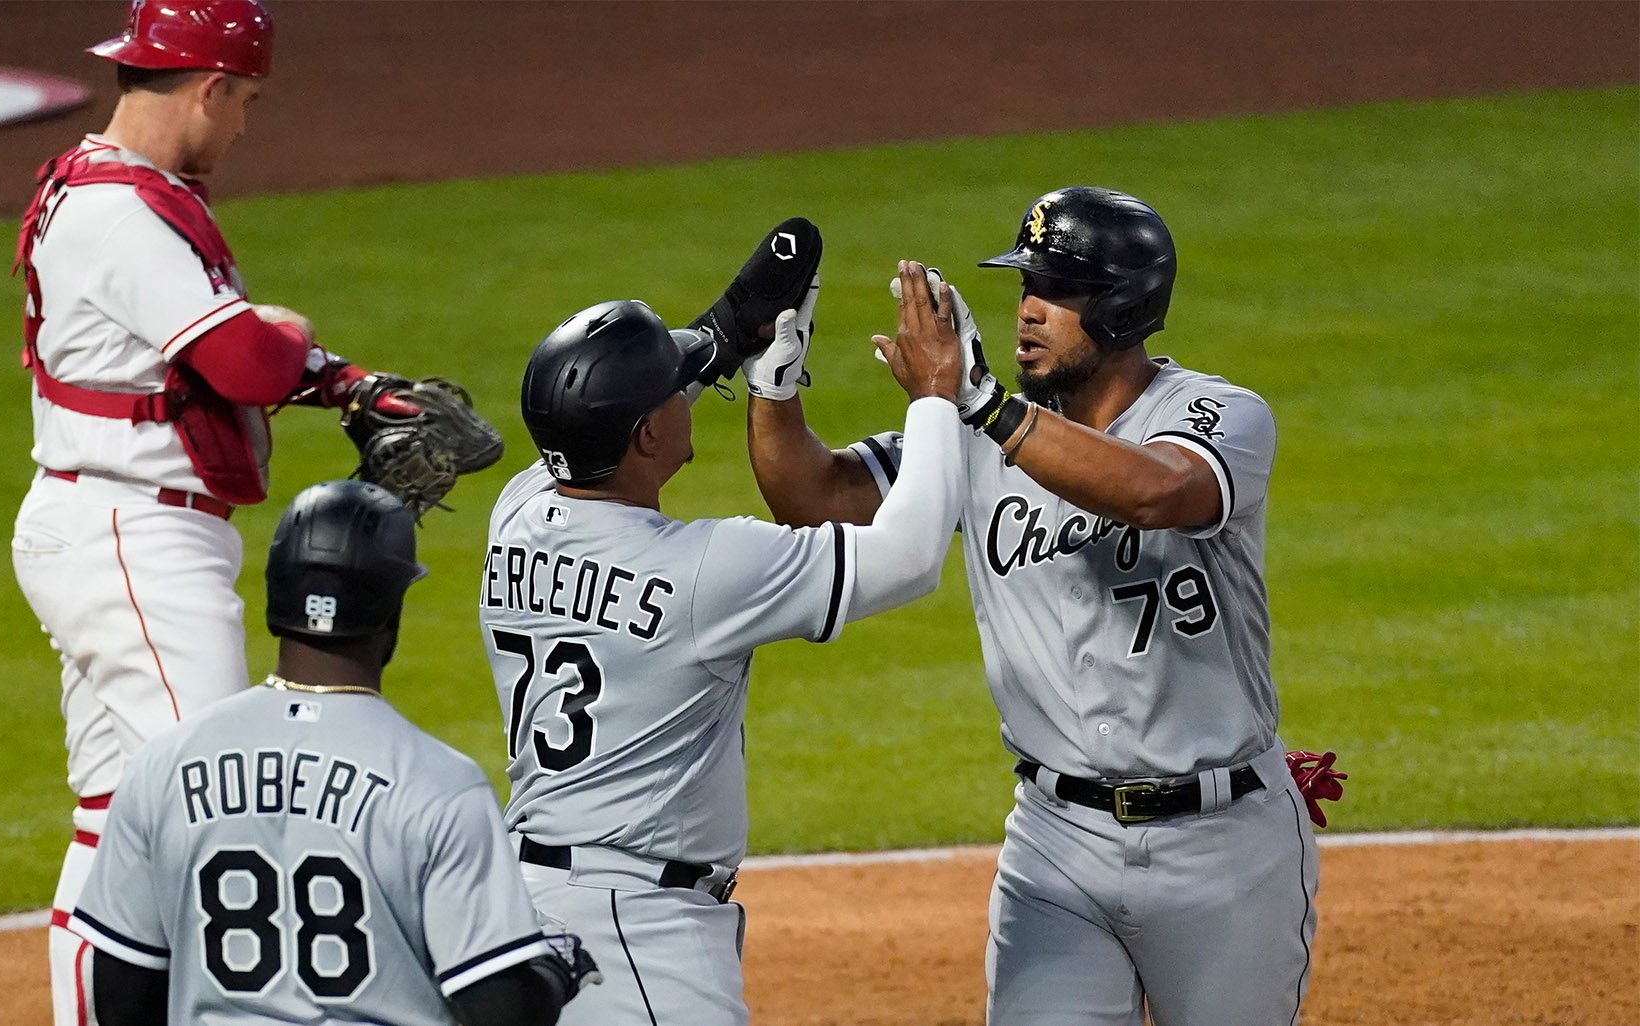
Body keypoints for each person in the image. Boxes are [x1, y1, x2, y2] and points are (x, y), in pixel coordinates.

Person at [745, 188, 1326, 1025]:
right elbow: (816, 496)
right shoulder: (985, 437)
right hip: (1056, 847)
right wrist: (776, 375)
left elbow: (1160, 490)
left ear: (1124, 306)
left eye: (1055, 291)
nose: (1026, 311)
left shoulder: (1218, 414)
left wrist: (981, 404)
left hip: (1222, 847)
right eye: (1025, 287)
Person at [8, 4, 419, 1021]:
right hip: (131, 537)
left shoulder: (125, 190)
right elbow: (236, 356)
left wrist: (347, 382)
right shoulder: (118, 213)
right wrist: (291, 334)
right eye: (243, 103)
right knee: (226, 800)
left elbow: (213, 348)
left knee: (117, 812)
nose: (243, 126)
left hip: (116, 527)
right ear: (206, 89)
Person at [478, 276, 965, 1025]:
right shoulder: (705, 570)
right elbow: (909, 555)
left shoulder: (517, 515)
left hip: (521, 909)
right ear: (646, 436)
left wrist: (722, 338)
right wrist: (936, 394)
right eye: (672, 389)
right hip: (637, 935)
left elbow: (588, 431)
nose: (684, 393)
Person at [67, 480, 598, 1026]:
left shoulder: (165, 764)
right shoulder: (438, 782)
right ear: (391, 613)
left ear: (275, 595)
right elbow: (500, 1010)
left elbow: (120, 993)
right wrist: (549, 972)